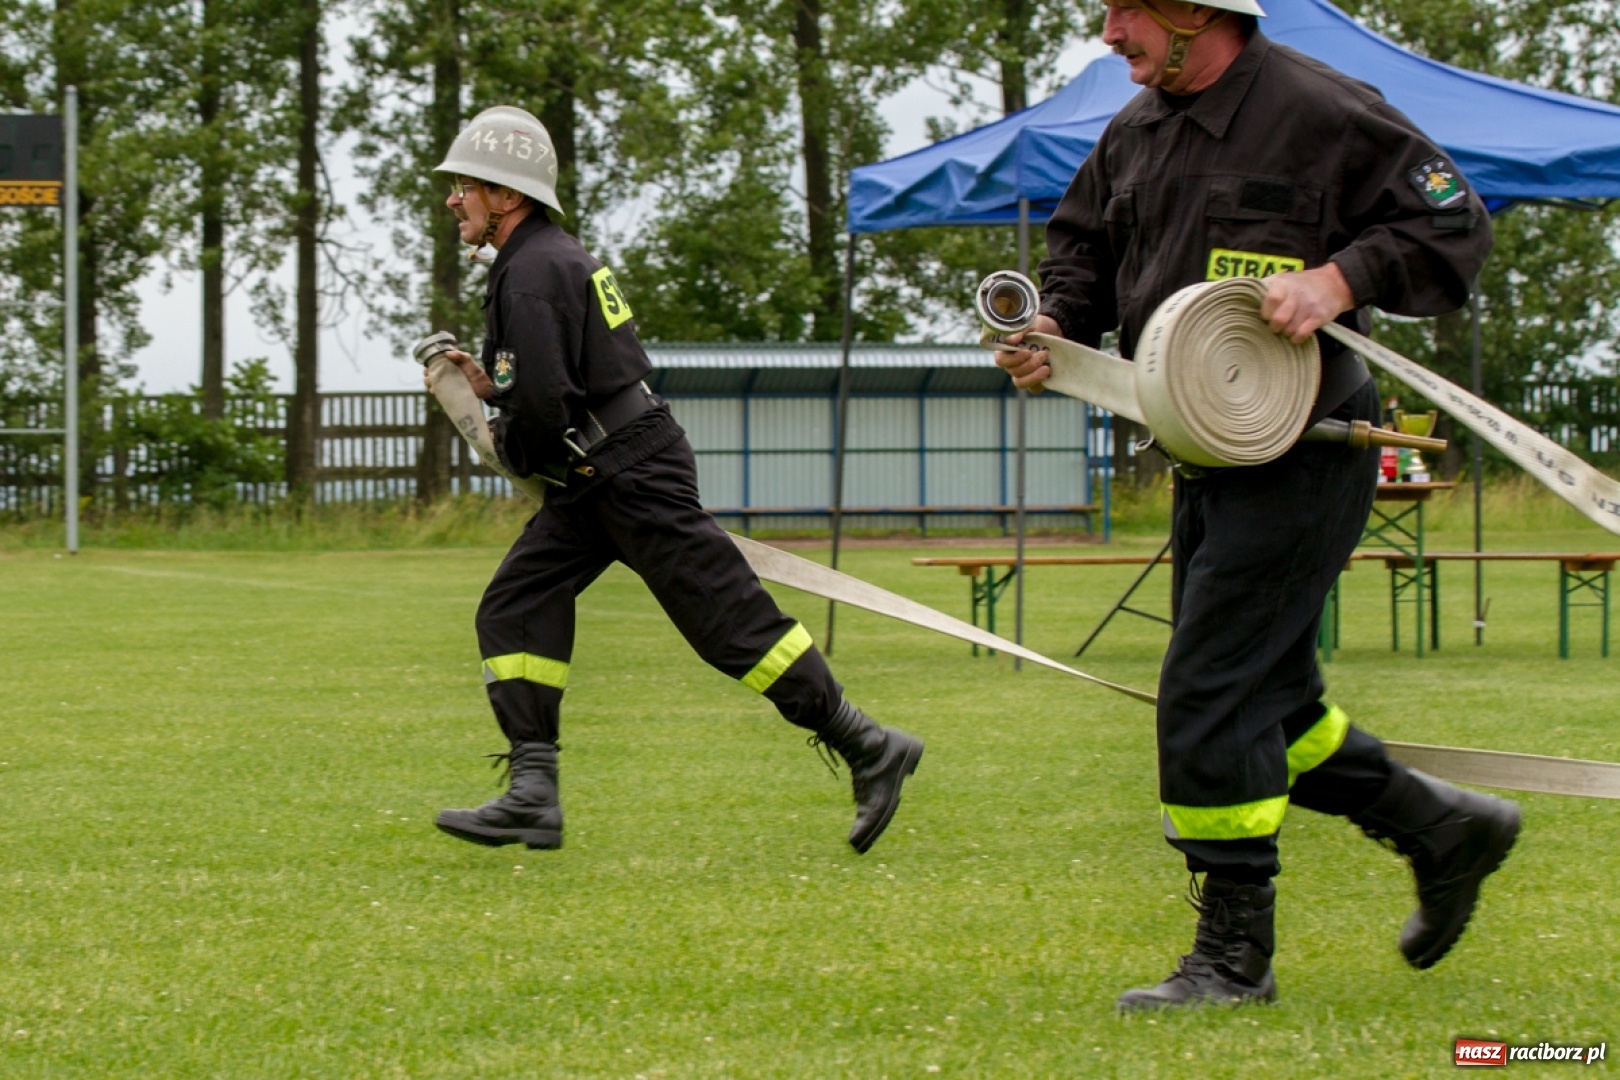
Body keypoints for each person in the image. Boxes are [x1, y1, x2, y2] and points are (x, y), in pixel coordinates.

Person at [994, 0, 1520, 1009]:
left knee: (1209, 688)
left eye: (1126, 10)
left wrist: (1338, 278)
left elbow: (1452, 223)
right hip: (1202, 457)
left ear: (1197, 14)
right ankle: (1446, 828)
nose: (1108, 34)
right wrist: (1054, 325)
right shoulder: (1134, 130)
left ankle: (1234, 958)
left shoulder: (1324, 108)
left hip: (1307, 451)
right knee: (1273, 704)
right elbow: (1085, 253)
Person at [427, 105, 923, 856]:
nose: (453, 199)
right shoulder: (546, 261)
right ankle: (533, 790)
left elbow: (548, 403)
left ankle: (867, 745)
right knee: (515, 607)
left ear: (506, 195)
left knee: (730, 624)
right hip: (601, 469)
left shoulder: (529, 274)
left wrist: (503, 439)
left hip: (625, 473)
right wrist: (494, 390)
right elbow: (558, 378)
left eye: (464, 184)